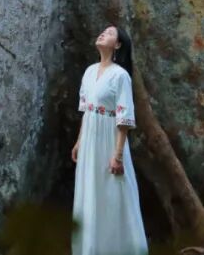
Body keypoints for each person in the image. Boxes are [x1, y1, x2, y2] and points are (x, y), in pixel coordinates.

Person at [71, 25, 148, 255]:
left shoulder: (120, 75)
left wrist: (117, 155)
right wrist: (78, 142)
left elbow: (124, 119)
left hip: (110, 139)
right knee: (89, 192)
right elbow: (86, 111)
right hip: (90, 141)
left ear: (118, 45)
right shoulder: (89, 71)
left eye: (110, 33)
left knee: (113, 193)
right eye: (102, 31)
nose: (103, 33)